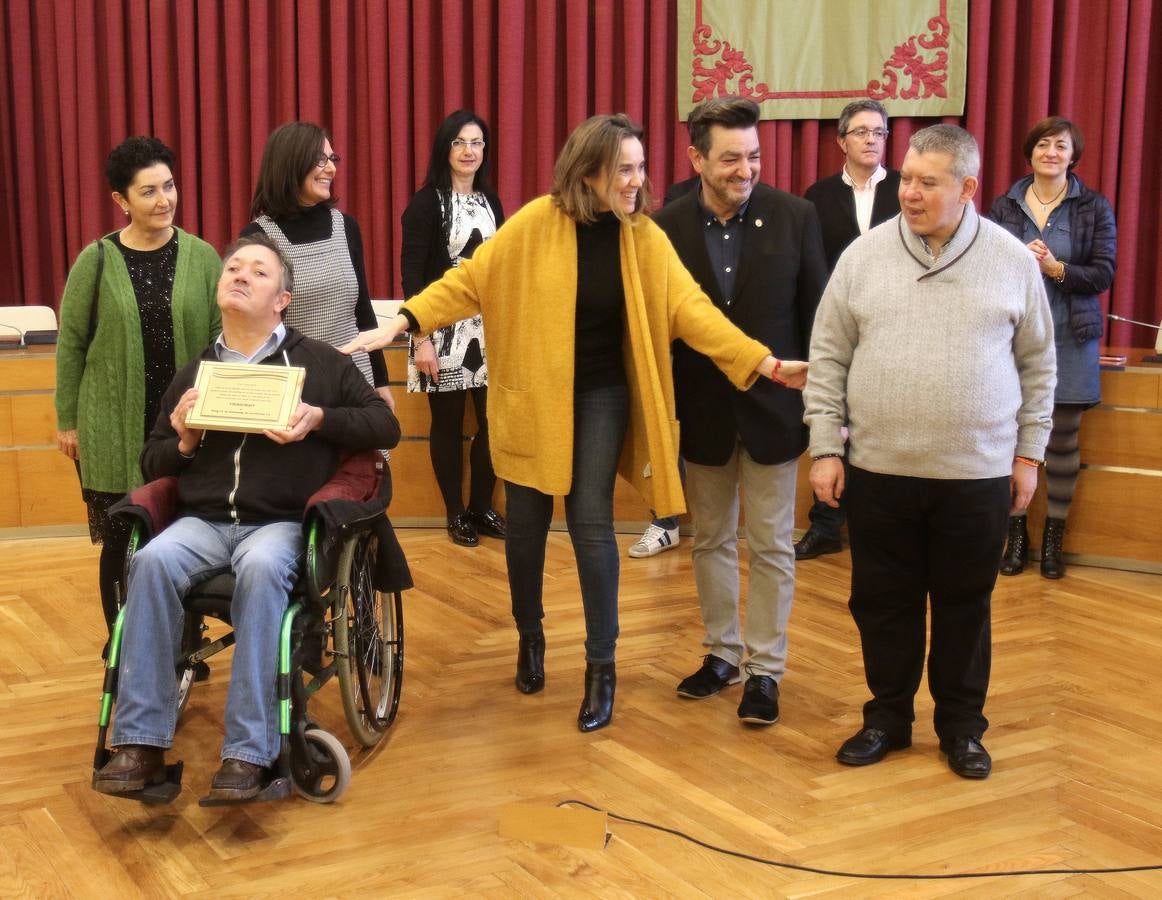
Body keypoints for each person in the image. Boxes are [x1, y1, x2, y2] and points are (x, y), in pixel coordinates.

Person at [343, 114, 802, 733]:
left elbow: (692, 311)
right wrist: (403, 322)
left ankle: (600, 668)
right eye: (626, 170)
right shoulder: (535, 223)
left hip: (603, 394)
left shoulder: (642, 238)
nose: (639, 181)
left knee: (590, 520)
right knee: (527, 520)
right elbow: (469, 281)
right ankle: (530, 636)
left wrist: (762, 361)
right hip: (533, 393)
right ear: (589, 173)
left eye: (641, 167)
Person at [92, 236, 399, 802]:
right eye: (233, 267)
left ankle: (248, 753)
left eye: (258, 272)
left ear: (281, 299)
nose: (240, 275)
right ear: (219, 287)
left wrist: (319, 419)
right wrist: (183, 441)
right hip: (204, 521)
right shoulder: (196, 373)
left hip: (281, 523)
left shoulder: (320, 363)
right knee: (153, 560)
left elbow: (385, 426)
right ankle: (139, 745)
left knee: (260, 569)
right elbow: (152, 460)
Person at [805, 125, 1055, 779]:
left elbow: (1039, 367)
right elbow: (828, 357)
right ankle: (886, 718)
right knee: (882, 602)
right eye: (906, 177)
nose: (908, 192)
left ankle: (961, 729)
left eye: (926, 182)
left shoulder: (1010, 261)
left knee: (964, 606)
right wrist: (826, 445)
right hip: (880, 471)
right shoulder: (863, 258)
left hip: (976, 475)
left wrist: (1028, 456)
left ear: (968, 188)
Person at [658, 97, 827, 726]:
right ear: (697, 158)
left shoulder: (796, 216)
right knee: (710, 540)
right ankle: (722, 654)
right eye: (731, 158)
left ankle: (765, 671)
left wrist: (822, 408)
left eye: (754, 156)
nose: (746, 169)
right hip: (700, 414)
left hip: (774, 413)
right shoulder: (664, 227)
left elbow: (817, 320)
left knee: (772, 544)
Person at [55, 136, 220, 647]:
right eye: (148, 191)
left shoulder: (204, 257)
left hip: (183, 431)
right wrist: (68, 420)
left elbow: (221, 341)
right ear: (121, 200)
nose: (164, 200)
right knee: (122, 541)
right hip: (110, 427)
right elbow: (71, 343)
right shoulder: (96, 260)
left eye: (169, 186)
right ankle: (123, 642)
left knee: (180, 535)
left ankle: (184, 643)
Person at [988, 116, 1117, 580]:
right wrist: (1020, 264)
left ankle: (1054, 541)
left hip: (1071, 334)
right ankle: (1016, 538)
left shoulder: (1093, 207)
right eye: (1043, 144)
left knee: (1062, 443)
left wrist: (1057, 268)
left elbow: (1103, 273)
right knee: (1011, 441)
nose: (1051, 153)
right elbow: (985, 266)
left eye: (1061, 146)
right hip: (1012, 337)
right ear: (1030, 153)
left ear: (1072, 155)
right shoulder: (1005, 205)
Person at [796, 99, 902, 561]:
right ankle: (825, 524)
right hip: (837, 324)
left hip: (895, 324)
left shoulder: (905, 188)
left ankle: (878, 526)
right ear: (841, 141)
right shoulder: (817, 196)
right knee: (832, 423)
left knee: (881, 423)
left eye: (879, 132)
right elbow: (810, 265)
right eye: (861, 132)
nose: (871, 140)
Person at [401, 111, 506, 547]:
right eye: (460, 142)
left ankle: (482, 507)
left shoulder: (491, 201)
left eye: (477, 142)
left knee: (493, 423)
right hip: (439, 330)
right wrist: (419, 338)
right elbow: (411, 276)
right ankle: (454, 513)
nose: (469, 151)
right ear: (445, 148)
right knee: (446, 425)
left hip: (489, 330)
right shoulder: (425, 204)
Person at [244, 121, 394, 410]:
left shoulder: (346, 226)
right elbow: (253, 332)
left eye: (332, 159)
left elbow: (362, 310)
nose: (331, 168)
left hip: (355, 381)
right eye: (320, 159)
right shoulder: (257, 237)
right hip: (295, 389)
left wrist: (381, 381)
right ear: (291, 162)